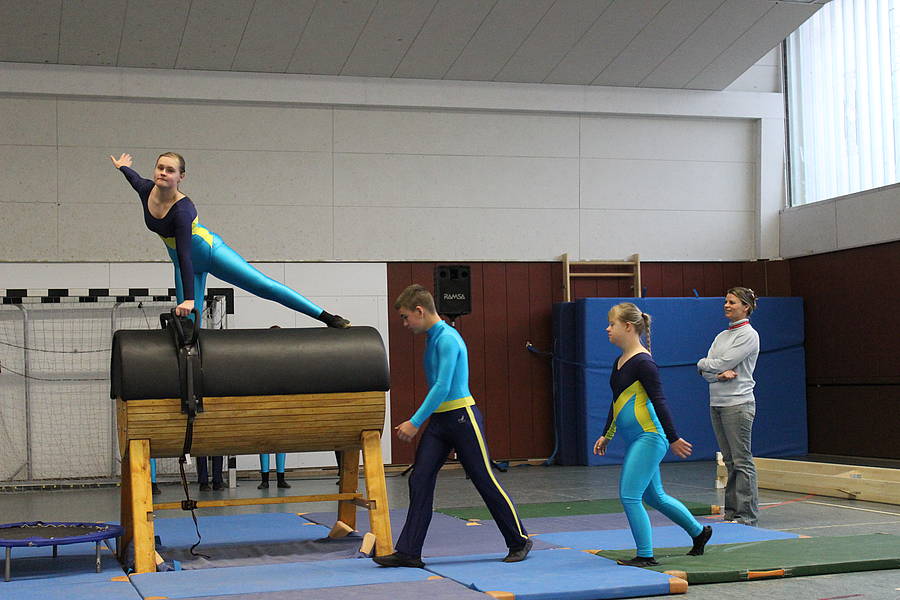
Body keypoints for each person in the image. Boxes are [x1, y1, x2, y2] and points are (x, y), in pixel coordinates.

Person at [373, 285, 531, 568]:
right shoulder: (432, 338)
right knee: (419, 478)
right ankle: (409, 551)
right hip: (440, 422)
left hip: (462, 418)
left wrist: (414, 422)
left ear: (420, 311)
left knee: (483, 478)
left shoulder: (447, 338)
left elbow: (443, 386)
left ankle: (519, 539)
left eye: (406, 317)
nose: (405, 324)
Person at [109, 152, 350, 329]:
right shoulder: (146, 190)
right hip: (183, 265)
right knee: (188, 326)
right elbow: (133, 178)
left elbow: (184, 253)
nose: (163, 172)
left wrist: (190, 299)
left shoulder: (183, 210)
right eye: (160, 167)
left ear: (181, 177)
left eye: (170, 170)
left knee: (262, 286)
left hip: (210, 253)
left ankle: (327, 317)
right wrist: (122, 167)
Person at [594, 302, 711, 567]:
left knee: (630, 495)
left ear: (628, 326)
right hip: (636, 438)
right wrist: (607, 434)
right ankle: (699, 532)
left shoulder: (644, 363)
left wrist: (673, 437)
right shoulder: (619, 362)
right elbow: (617, 402)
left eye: (612, 324)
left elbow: (659, 401)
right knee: (654, 496)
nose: (607, 329)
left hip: (649, 437)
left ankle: (645, 555)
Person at [697, 287, 760, 526]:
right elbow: (707, 372)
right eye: (726, 301)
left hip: (738, 404)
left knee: (741, 460)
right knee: (730, 461)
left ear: (746, 307)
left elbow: (723, 362)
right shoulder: (721, 336)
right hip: (717, 403)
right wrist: (713, 372)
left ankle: (746, 516)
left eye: (732, 302)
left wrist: (705, 364)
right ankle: (732, 514)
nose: (727, 305)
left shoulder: (749, 335)